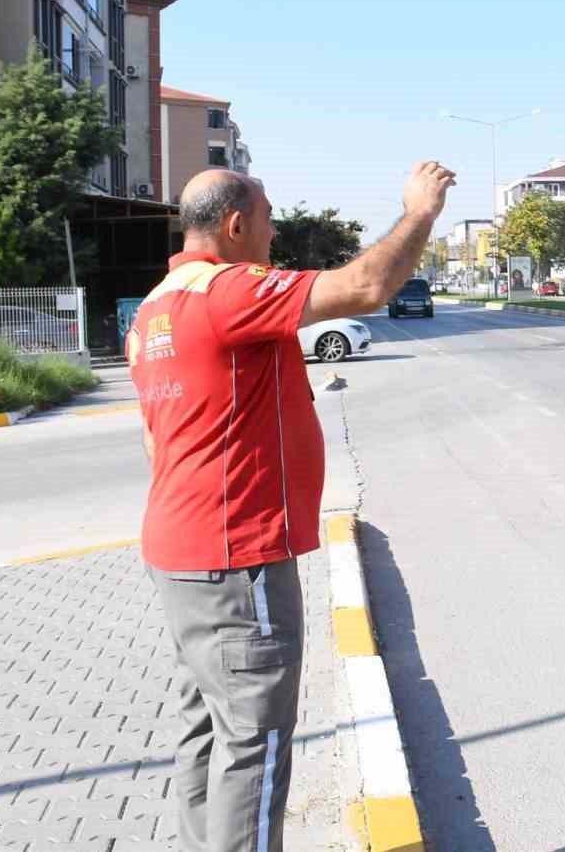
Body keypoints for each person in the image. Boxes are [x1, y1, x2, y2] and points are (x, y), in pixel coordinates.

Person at [128, 162, 455, 852]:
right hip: (235, 560)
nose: (276, 232)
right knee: (256, 745)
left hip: (180, 554)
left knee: (207, 731)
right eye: (269, 218)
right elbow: (368, 285)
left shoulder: (156, 304)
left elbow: (159, 440)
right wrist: (420, 212)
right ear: (236, 225)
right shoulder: (228, 290)